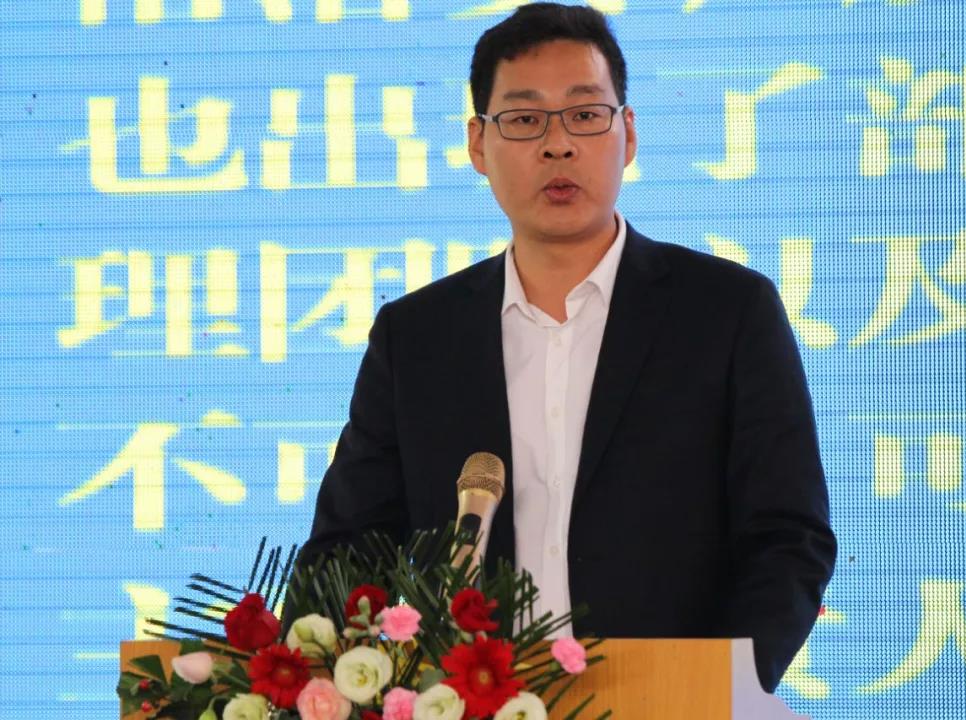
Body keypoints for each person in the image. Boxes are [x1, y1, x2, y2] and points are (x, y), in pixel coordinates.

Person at [294, 2, 836, 693]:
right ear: (477, 145)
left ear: (628, 133)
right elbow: (347, 554)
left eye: (585, 115)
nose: (558, 145)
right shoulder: (417, 338)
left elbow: (787, 538)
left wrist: (711, 688)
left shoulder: (726, 312)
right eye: (524, 120)